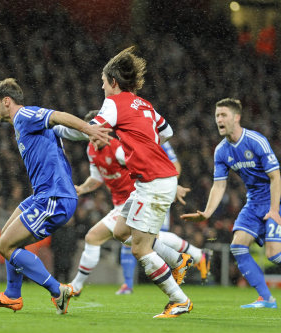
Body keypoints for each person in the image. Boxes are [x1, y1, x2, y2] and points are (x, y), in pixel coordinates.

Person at [181, 98, 281, 308]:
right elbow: (219, 186)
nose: (219, 120)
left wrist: (273, 209)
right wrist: (207, 213)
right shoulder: (221, 151)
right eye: (217, 116)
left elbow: (275, 177)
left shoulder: (255, 141)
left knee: (275, 255)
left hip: (277, 199)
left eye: (223, 115)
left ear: (236, 118)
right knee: (237, 246)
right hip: (253, 201)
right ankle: (266, 298)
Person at [0, 78, 111, 315]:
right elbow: (63, 130)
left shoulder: (25, 115)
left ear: (6, 101)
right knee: (7, 239)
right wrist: (86, 132)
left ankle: (56, 290)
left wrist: (90, 128)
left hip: (54, 197)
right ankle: (12, 296)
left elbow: (59, 116)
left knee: (5, 246)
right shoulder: (24, 124)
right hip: (43, 195)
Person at [90, 46, 192, 318]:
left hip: (155, 180)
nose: (102, 88)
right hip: (153, 179)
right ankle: (177, 259)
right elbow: (167, 131)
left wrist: (59, 126)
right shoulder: (143, 103)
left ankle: (179, 299)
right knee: (122, 232)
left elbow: (96, 128)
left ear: (113, 82)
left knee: (139, 248)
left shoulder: (114, 102)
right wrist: (146, 145)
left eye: (103, 83)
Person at [56, 111, 202, 298]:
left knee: (96, 237)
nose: (91, 138)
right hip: (122, 205)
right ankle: (187, 258)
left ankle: (76, 286)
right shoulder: (91, 149)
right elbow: (96, 177)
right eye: (88, 134)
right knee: (148, 240)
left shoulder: (118, 150)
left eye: (94, 132)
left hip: (134, 200)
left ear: (105, 130)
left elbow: (145, 167)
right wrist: (82, 189)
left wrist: (171, 186)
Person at [116, 140, 213, 294]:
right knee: (126, 234)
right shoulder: (120, 140)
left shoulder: (157, 138)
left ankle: (193, 258)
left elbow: (176, 165)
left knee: (149, 237)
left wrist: (170, 186)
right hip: (137, 193)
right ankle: (129, 284)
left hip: (154, 193)